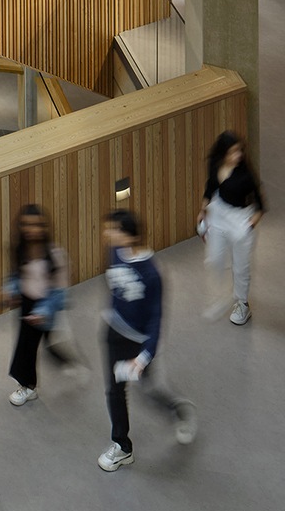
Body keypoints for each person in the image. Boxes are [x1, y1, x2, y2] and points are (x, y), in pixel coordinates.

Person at [99, 208, 196, 471]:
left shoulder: (151, 274)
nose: (107, 233)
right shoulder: (114, 252)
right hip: (113, 333)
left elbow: (156, 320)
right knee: (114, 390)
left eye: (113, 229)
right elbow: (115, 286)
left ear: (129, 236)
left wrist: (143, 358)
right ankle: (122, 446)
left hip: (137, 342)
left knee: (147, 390)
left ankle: (179, 410)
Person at [5, 204, 78, 406]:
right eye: (26, 225)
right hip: (27, 304)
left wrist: (43, 311)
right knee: (28, 345)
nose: (31, 230)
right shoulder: (20, 249)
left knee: (30, 346)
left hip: (45, 305)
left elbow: (59, 290)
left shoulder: (54, 254)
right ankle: (32, 383)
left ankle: (28, 387)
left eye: (36, 225)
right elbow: (16, 275)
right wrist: (11, 291)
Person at [199, 130, 264, 325]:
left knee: (240, 266)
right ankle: (220, 294)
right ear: (223, 153)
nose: (238, 155)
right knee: (214, 260)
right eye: (233, 152)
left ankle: (242, 304)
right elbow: (210, 188)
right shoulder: (215, 164)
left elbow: (260, 205)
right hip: (219, 211)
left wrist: (250, 224)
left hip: (240, 218)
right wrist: (202, 211)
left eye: (239, 151)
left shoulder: (245, 176)